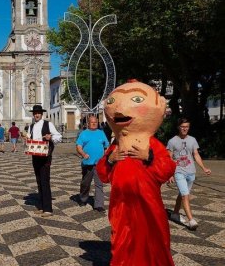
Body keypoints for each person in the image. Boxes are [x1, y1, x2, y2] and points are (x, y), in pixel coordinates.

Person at [96, 80, 176, 266]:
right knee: (122, 241)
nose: (120, 108)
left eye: (137, 99)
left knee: (152, 241)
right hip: (121, 206)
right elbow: (103, 175)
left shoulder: (153, 145)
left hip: (147, 205)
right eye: (113, 101)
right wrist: (110, 160)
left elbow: (166, 170)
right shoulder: (114, 147)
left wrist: (148, 157)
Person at [167, 118, 211, 230]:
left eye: (187, 126)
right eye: (182, 126)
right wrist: (170, 174)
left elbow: (196, 154)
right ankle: (191, 220)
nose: (185, 128)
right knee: (185, 195)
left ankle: (175, 214)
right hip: (179, 172)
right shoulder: (172, 141)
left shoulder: (193, 140)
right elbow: (168, 158)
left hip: (191, 172)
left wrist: (204, 168)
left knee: (182, 194)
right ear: (178, 127)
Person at [26, 105, 62, 217]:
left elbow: (58, 137)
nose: (36, 115)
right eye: (35, 113)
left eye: (38, 113)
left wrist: (50, 138)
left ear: (41, 114)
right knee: (38, 181)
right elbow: (28, 139)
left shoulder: (48, 124)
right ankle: (41, 206)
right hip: (35, 156)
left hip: (45, 156)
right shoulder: (31, 126)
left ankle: (48, 209)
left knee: (45, 181)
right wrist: (26, 139)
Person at [75, 115, 109, 212]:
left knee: (99, 184)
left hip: (99, 163)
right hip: (87, 163)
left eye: (95, 122)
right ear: (88, 124)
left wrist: (106, 156)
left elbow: (106, 146)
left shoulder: (101, 133)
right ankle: (83, 198)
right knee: (85, 183)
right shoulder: (84, 134)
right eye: (92, 122)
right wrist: (83, 154)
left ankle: (99, 205)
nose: (94, 124)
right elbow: (78, 147)